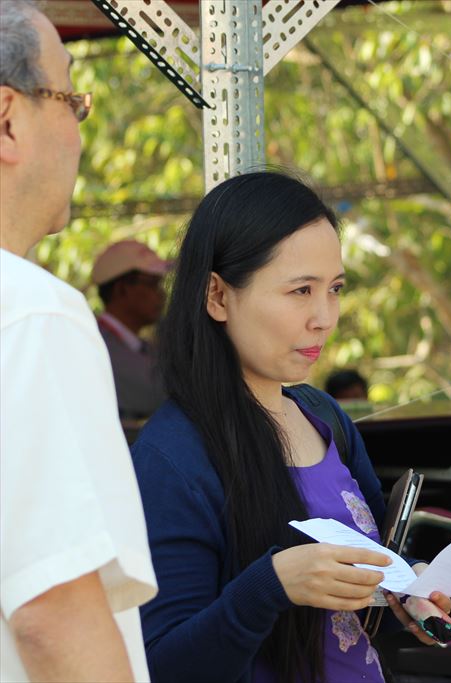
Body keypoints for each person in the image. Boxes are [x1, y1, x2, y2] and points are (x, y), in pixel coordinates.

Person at [130, 171, 451, 683]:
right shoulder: (173, 457)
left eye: (335, 289)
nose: (324, 317)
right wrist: (271, 584)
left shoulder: (325, 417)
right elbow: (165, 665)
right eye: (301, 290)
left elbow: (357, 607)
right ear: (217, 296)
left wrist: (408, 589)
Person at [0, 1, 157, 681]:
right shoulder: (33, 313)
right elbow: (54, 613)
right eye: (71, 100)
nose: (79, 132)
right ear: (7, 120)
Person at [92, 239, 170, 420]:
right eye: (152, 284)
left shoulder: (142, 347)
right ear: (122, 289)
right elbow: (160, 392)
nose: (162, 293)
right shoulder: (97, 345)